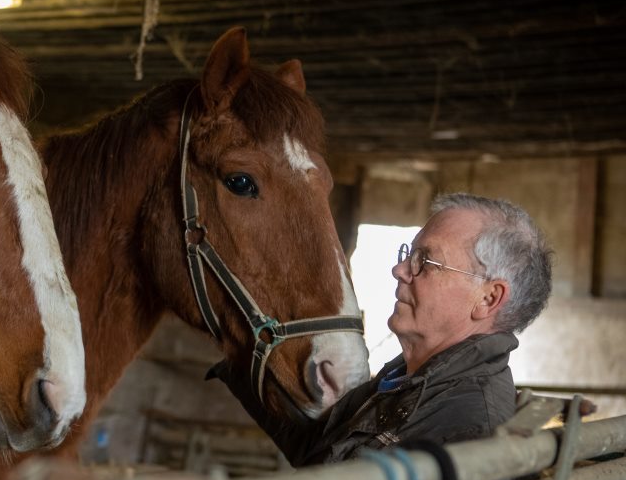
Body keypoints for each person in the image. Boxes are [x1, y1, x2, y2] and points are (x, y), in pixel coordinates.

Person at [208, 192, 553, 465]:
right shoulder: (409, 380)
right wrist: (237, 341)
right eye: (408, 254)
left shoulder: (469, 429)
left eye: (425, 262)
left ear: (488, 298)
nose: (400, 270)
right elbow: (318, 448)